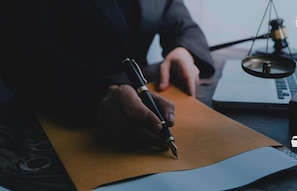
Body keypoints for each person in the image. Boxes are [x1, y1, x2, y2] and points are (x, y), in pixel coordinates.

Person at [0, 0, 215, 150]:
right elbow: (24, 54)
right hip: (54, 114)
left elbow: (181, 21)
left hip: (141, 99)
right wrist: (99, 94)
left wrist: (183, 50)